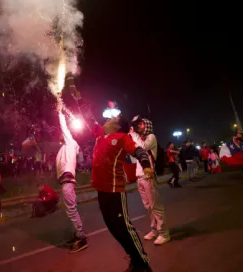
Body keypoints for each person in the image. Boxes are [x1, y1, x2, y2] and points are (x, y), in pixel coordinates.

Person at [71, 80, 153, 271]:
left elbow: (139, 151)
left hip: (115, 191)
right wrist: (78, 99)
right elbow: (87, 116)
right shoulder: (100, 134)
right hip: (101, 191)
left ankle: (143, 264)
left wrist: (146, 165)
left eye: (112, 119)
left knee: (125, 228)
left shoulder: (122, 138)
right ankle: (134, 259)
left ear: (117, 126)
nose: (107, 120)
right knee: (114, 230)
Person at [130, 116, 170, 245]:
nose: (138, 127)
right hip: (140, 177)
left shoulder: (151, 137)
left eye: (141, 124)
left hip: (148, 176)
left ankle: (164, 233)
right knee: (148, 207)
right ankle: (154, 230)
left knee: (155, 206)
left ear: (147, 125)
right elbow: (134, 155)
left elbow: (142, 148)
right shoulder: (139, 138)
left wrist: (134, 136)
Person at [55, 102, 88, 253]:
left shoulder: (70, 142)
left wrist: (60, 112)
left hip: (68, 182)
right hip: (66, 182)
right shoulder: (66, 147)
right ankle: (77, 234)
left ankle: (81, 238)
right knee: (70, 211)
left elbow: (64, 127)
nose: (61, 134)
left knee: (71, 211)